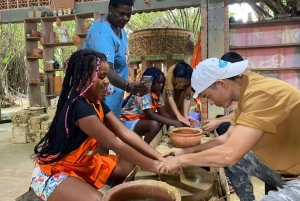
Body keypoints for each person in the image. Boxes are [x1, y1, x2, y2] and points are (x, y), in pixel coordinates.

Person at [30, 49, 173, 201]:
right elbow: (117, 145)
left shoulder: (96, 102)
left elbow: (125, 133)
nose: (106, 82)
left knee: (130, 164)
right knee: (99, 200)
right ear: (83, 76)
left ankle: (113, 194)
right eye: (102, 77)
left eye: (106, 77)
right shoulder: (79, 107)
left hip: (83, 162)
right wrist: (156, 166)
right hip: (57, 169)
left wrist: (159, 157)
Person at [159, 57, 300, 201]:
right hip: (283, 170)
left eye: (208, 96)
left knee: (232, 159)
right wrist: (186, 151)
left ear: (222, 84)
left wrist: (180, 160)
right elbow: (226, 138)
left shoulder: (262, 93)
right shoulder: (246, 91)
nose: (212, 102)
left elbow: (229, 154)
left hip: (297, 177)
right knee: (237, 163)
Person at [84, 0, 147, 118]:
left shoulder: (119, 28)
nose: (126, 18)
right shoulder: (102, 32)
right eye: (122, 13)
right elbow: (106, 71)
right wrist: (128, 86)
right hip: (100, 99)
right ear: (111, 9)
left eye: (129, 15)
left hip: (113, 99)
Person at [120, 67, 184, 144]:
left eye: (162, 83)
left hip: (139, 120)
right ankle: (144, 150)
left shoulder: (157, 94)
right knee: (154, 125)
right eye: (159, 82)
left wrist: (181, 121)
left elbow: (164, 114)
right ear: (151, 81)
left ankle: (153, 145)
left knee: (163, 121)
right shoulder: (142, 93)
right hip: (126, 121)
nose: (161, 85)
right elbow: (151, 115)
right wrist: (175, 123)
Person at [202, 52, 243, 135]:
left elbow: (246, 117)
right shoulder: (239, 88)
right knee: (218, 118)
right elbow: (239, 112)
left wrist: (219, 122)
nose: (211, 102)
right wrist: (217, 120)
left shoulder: (255, 91)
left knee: (223, 125)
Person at [163, 61, 194, 126]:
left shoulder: (192, 76)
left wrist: (185, 115)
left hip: (182, 93)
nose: (182, 84)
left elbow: (187, 98)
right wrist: (178, 116)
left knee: (183, 116)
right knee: (168, 113)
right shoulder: (171, 72)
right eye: (179, 81)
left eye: (185, 82)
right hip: (170, 93)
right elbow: (170, 97)